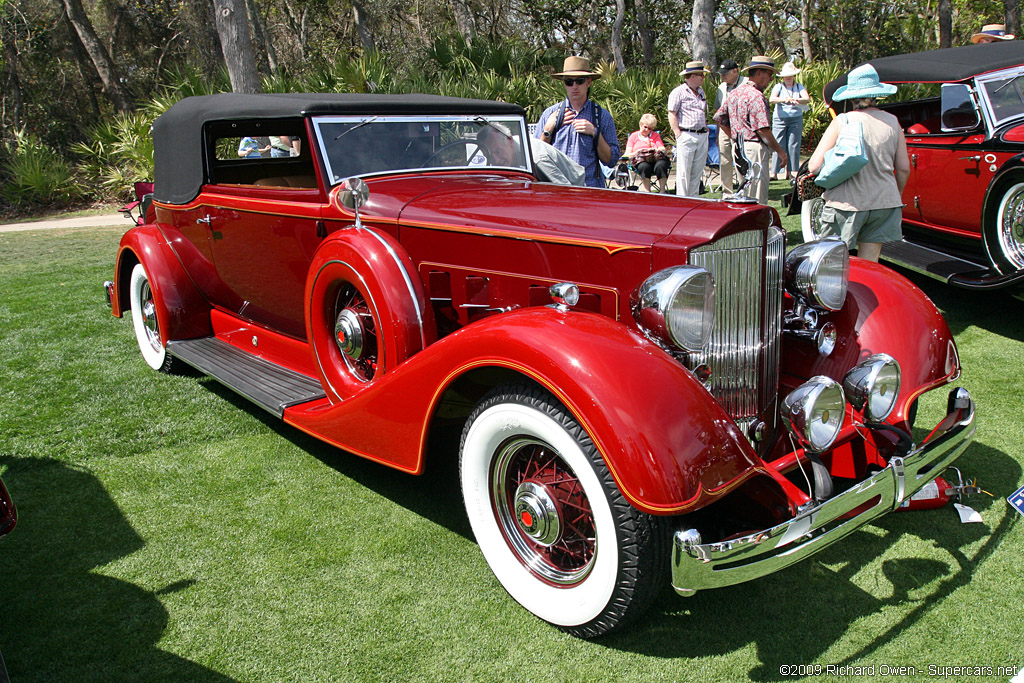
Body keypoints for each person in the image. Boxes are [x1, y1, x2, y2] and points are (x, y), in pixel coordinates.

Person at [807, 64, 910, 263]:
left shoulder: (843, 121)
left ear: (852, 96)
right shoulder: (892, 121)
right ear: (876, 94)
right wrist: (896, 192)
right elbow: (904, 168)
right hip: (884, 202)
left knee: (833, 264)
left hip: (846, 204)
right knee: (870, 264)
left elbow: (814, 165)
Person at [535, 56, 620, 188]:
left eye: (579, 81)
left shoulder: (601, 116)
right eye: (569, 81)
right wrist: (548, 130)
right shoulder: (549, 114)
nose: (574, 86)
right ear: (564, 83)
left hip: (590, 189)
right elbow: (535, 156)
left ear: (588, 82)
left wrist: (595, 133)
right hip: (556, 189)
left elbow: (611, 160)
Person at [713, 56, 788, 204]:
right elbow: (763, 130)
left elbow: (719, 118)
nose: (771, 79)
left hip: (739, 148)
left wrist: (735, 137)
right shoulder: (756, 96)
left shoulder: (735, 93)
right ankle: (758, 227)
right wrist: (780, 152)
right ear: (759, 73)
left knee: (745, 195)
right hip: (755, 149)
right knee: (757, 197)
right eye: (769, 75)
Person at [478, 122, 585, 186]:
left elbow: (566, 192)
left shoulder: (537, 159)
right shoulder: (507, 148)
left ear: (509, 140)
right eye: (490, 156)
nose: (496, 160)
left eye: (498, 151)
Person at [667, 61, 710, 198]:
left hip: (702, 135)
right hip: (686, 134)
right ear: (691, 76)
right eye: (700, 75)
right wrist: (678, 133)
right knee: (684, 173)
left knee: (697, 172)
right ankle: (682, 200)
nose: (703, 77)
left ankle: (694, 200)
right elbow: (672, 113)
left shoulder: (701, 91)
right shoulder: (678, 92)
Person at [769, 61, 810, 180]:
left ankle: (791, 172)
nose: (788, 77)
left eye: (790, 75)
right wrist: (784, 99)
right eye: (786, 75)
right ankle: (775, 173)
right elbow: (772, 99)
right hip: (780, 119)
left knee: (793, 145)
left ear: (793, 75)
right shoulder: (779, 87)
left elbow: (806, 99)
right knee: (778, 144)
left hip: (795, 119)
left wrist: (796, 99)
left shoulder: (799, 86)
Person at [713, 59, 747, 194]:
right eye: (721, 74)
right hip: (724, 128)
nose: (723, 76)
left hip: (741, 128)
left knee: (741, 159)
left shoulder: (746, 84)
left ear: (735, 71)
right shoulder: (721, 87)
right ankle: (727, 192)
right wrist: (717, 134)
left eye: (725, 74)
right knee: (725, 159)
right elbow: (718, 111)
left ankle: (743, 189)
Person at [625, 113, 670, 192]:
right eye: (645, 127)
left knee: (661, 165)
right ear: (640, 124)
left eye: (650, 128)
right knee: (644, 167)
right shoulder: (633, 136)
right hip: (641, 160)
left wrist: (655, 150)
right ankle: (647, 192)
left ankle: (662, 191)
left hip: (656, 159)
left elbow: (662, 148)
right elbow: (627, 154)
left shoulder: (655, 135)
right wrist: (638, 152)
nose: (647, 130)